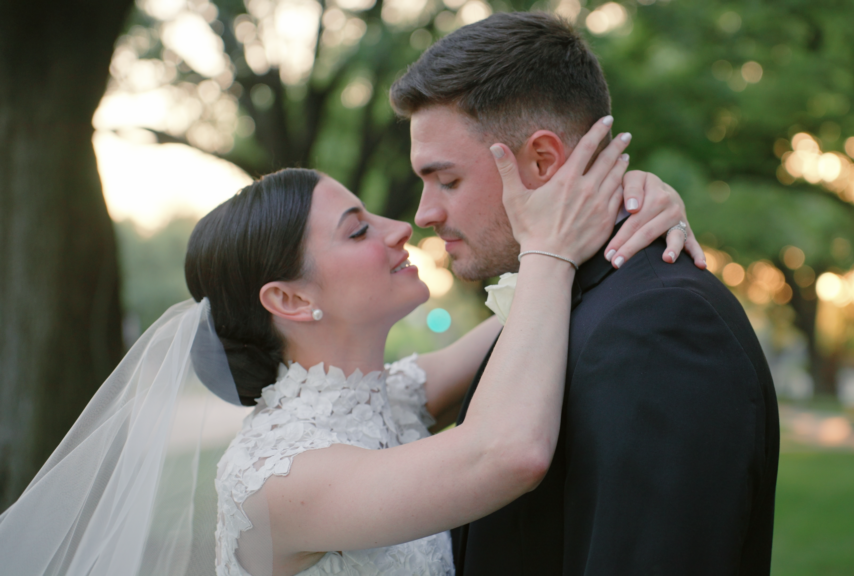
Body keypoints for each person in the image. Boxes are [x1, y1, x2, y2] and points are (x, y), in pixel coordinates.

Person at [0, 114, 690, 575]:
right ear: (292, 300)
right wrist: (548, 249)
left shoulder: (392, 396)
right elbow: (508, 452)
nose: (401, 227)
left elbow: (524, 322)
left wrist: (630, 200)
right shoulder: (275, 479)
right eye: (358, 230)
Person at [389, 11, 780, 575]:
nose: (424, 214)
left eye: (446, 180)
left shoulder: (660, 324)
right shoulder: (554, 303)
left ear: (543, 161)